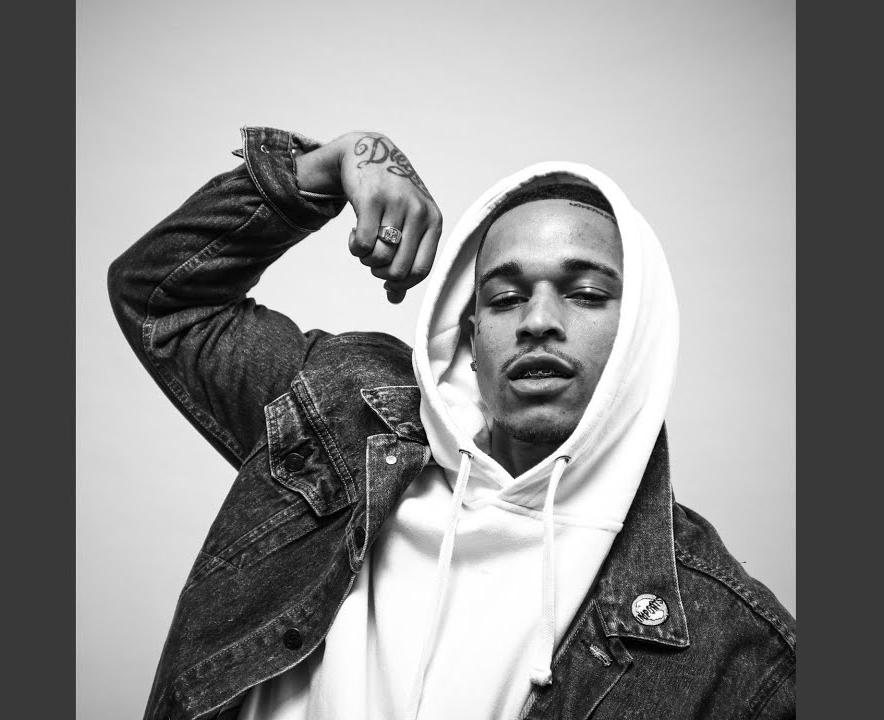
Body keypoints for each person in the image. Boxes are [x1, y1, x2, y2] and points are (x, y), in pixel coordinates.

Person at [108, 126, 796, 720]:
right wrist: (323, 169)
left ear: (641, 334)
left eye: (586, 293)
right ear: (470, 336)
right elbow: (162, 299)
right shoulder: (341, 413)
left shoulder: (738, 653)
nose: (538, 320)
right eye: (505, 297)